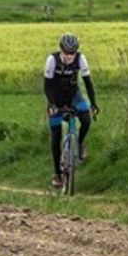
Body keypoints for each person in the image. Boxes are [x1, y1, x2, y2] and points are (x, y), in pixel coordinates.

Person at [43, 32, 99, 188]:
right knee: (56, 134)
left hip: (73, 95)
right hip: (55, 97)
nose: (69, 56)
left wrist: (93, 103)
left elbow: (88, 83)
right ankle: (57, 174)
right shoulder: (52, 60)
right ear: (61, 50)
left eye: (72, 53)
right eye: (67, 53)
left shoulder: (81, 59)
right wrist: (52, 104)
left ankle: (79, 144)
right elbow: (47, 86)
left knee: (86, 118)